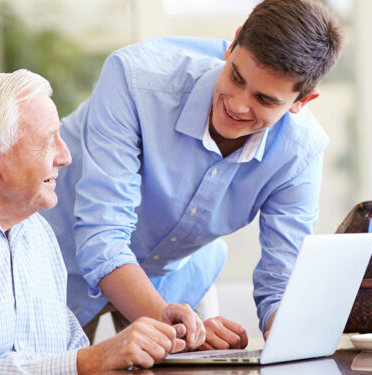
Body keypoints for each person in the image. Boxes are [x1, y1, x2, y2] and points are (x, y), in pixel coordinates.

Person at [41, 0, 342, 349]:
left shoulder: (299, 153)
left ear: (301, 102)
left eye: (264, 99)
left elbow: (281, 284)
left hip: (177, 278)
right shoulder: (135, 80)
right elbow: (102, 237)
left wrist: (291, 337)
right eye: (236, 77)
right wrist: (176, 326)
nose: (238, 105)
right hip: (63, 264)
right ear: (233, 44)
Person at [0, 70, 205, 374]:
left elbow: (67, 350)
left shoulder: (34, 232)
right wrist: (91, 360)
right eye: (48, 141)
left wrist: (165, 343)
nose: (65, 156)